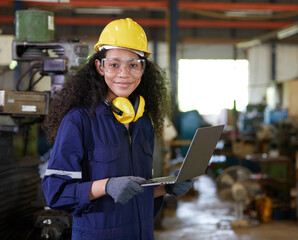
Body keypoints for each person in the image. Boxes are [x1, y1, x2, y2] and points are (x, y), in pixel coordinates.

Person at [41, 18, 193, 240]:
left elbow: (138, 190)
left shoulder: (143, 122)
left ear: (143, 69)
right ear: (100, 67)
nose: (124, 73)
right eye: (114, 64)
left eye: (133, 64)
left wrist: (167, 187)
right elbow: (56, 193)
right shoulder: (79, 121)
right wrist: (106, 186)